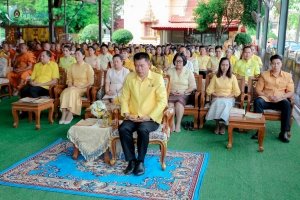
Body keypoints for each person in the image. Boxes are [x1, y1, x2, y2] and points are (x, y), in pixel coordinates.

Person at [119, 52, 167, 176]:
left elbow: (163, 101)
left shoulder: (157, 78)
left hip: (151, 118)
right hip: (133, 116)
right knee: (123, 128)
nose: (139, 69)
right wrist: (126, 113)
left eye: (142, 66)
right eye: (136, 66)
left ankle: (140, 161)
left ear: (149, 65)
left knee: (142, 129)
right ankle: (131, 161)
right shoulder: (130, 77)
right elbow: (124, 98)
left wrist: (149, 116)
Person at [252, 54, 294, 143]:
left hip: (280, 100)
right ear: (270, 64)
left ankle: (283, 132)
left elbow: (291, 92)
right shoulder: (264, 74)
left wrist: (281, 97)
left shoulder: (288, 76)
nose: (276, 66)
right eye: (274, 64)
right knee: (258, 101)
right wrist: (268, 96)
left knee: (287, 104)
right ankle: (259, 129)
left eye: (278, 63)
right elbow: (258, 90)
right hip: (267, 99)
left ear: (281, 64)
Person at [205, 57, 241, 134]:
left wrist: (228, 96)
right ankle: (217, 124)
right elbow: (209, 90)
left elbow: (237, 91)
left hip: (229, 98)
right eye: (223, 65)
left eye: (226, 65)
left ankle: (223, 125)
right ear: (220, 65)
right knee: (218, 101)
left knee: (225, 102)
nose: (224, 67)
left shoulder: (233, 77)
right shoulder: (215, 76)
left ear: (229, 66)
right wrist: (217, 95)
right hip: (217, 97)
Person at [59, 48, 94, 124]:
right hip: (73, 87)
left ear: (83, 56)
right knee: (65, 91)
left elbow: (91, 81)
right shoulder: (72, 66)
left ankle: (71, 113)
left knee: (72, 92)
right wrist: (70, 84)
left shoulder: (88, 66)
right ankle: (64, 112)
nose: (76, 56)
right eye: (75, 54)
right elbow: (69, 79)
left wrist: (81, 87)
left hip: (83, 88)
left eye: (78, 54)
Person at [167, 53, 197, 132]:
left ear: (184, 62)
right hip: (171, 93)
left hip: (184, 94)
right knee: (170, 104)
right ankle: (172, 124)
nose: (178, 63)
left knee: (179, 103)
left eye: (180, 61)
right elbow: (165, 85)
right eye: (176, 61)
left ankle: (178, 124)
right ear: (174, 62)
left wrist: (183, 92)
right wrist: (170, 92)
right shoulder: (169, 71)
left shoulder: (188, 71)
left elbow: (193, 86)